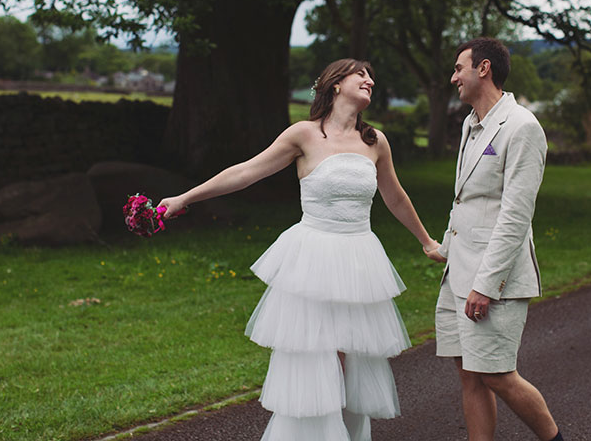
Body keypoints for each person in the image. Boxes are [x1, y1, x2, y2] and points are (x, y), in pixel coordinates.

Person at [158, 58, 442, 441]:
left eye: (372, 76)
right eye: (361, 74)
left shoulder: (375, 141)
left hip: (360, 259)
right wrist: (185, 198)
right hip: (314, 258)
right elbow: (245, 172)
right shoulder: (304, 135)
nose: (370, 81)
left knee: (353, 359)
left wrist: (426, 241)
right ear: (335, 84)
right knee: (317, 358)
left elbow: (395, 197)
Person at [429, 38, 564, 441]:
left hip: (493, 279)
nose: (453, 77)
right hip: (458, 270)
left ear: (483, 69)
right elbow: (468, 198)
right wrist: (446, 248)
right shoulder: (471, 124)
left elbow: (515, 215)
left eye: (458, 68)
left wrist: (485, 285)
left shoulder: (522, 127)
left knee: (498, 375)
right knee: (470, 377)